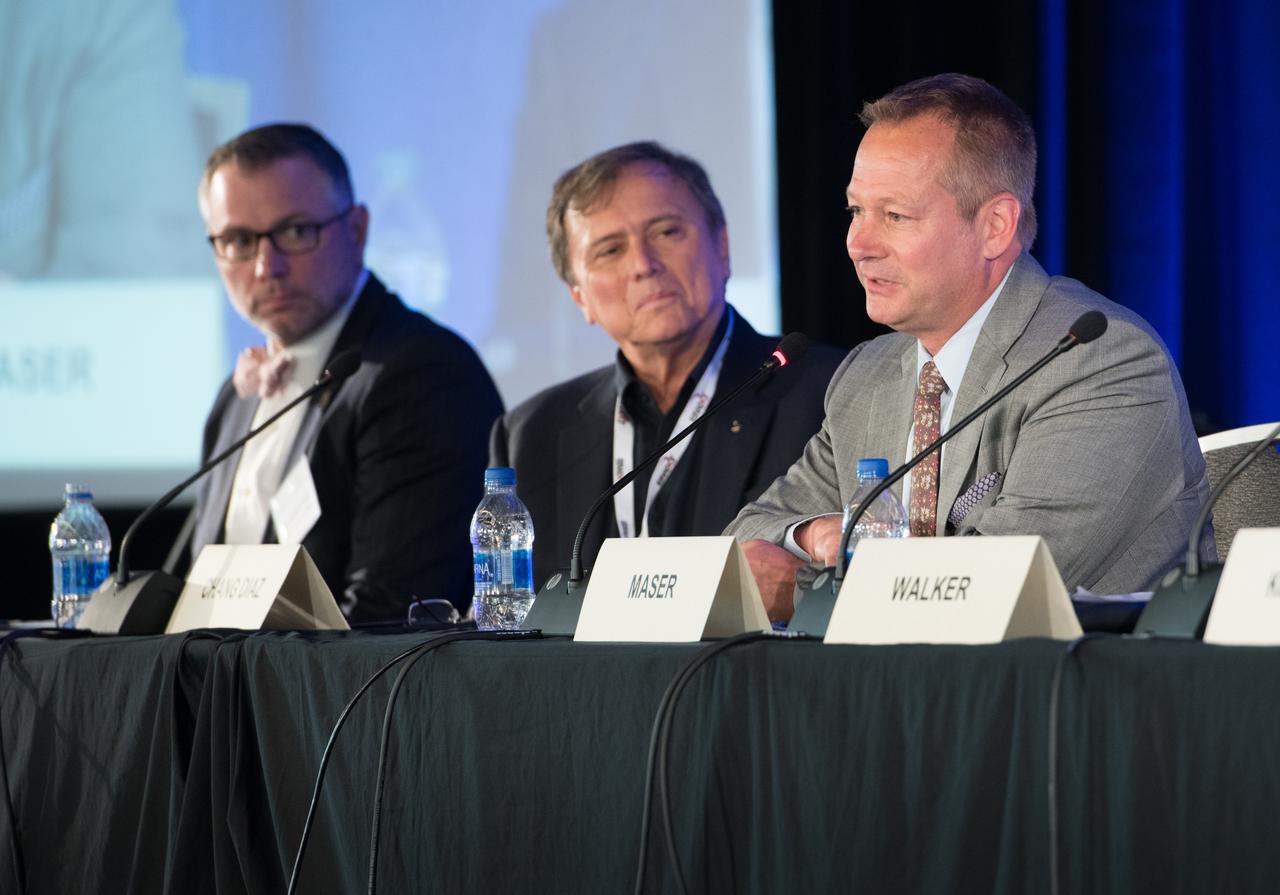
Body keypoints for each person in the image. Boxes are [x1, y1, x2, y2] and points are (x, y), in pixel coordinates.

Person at [727, 73, 1212, 619]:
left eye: (895, 215)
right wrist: (815, 534)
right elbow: (746, 537)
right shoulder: (868, 374)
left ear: (995, 226)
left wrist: (802, 589)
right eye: (855, 211)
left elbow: (988, 588)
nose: (858, 244)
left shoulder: (1100, 361)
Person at [490, 142, 843, 591]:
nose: (643, 264)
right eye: (610, 250)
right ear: (579, 297)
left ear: (722, 247)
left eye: (666, 232)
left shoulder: (829, 392)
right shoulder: (529, 435)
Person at [190, 123, 503, 622]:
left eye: (296, 232)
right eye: (239, 240)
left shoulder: (423, 374)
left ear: (357, 230)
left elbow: (393, 613)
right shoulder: (234, 397)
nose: (266, 267)